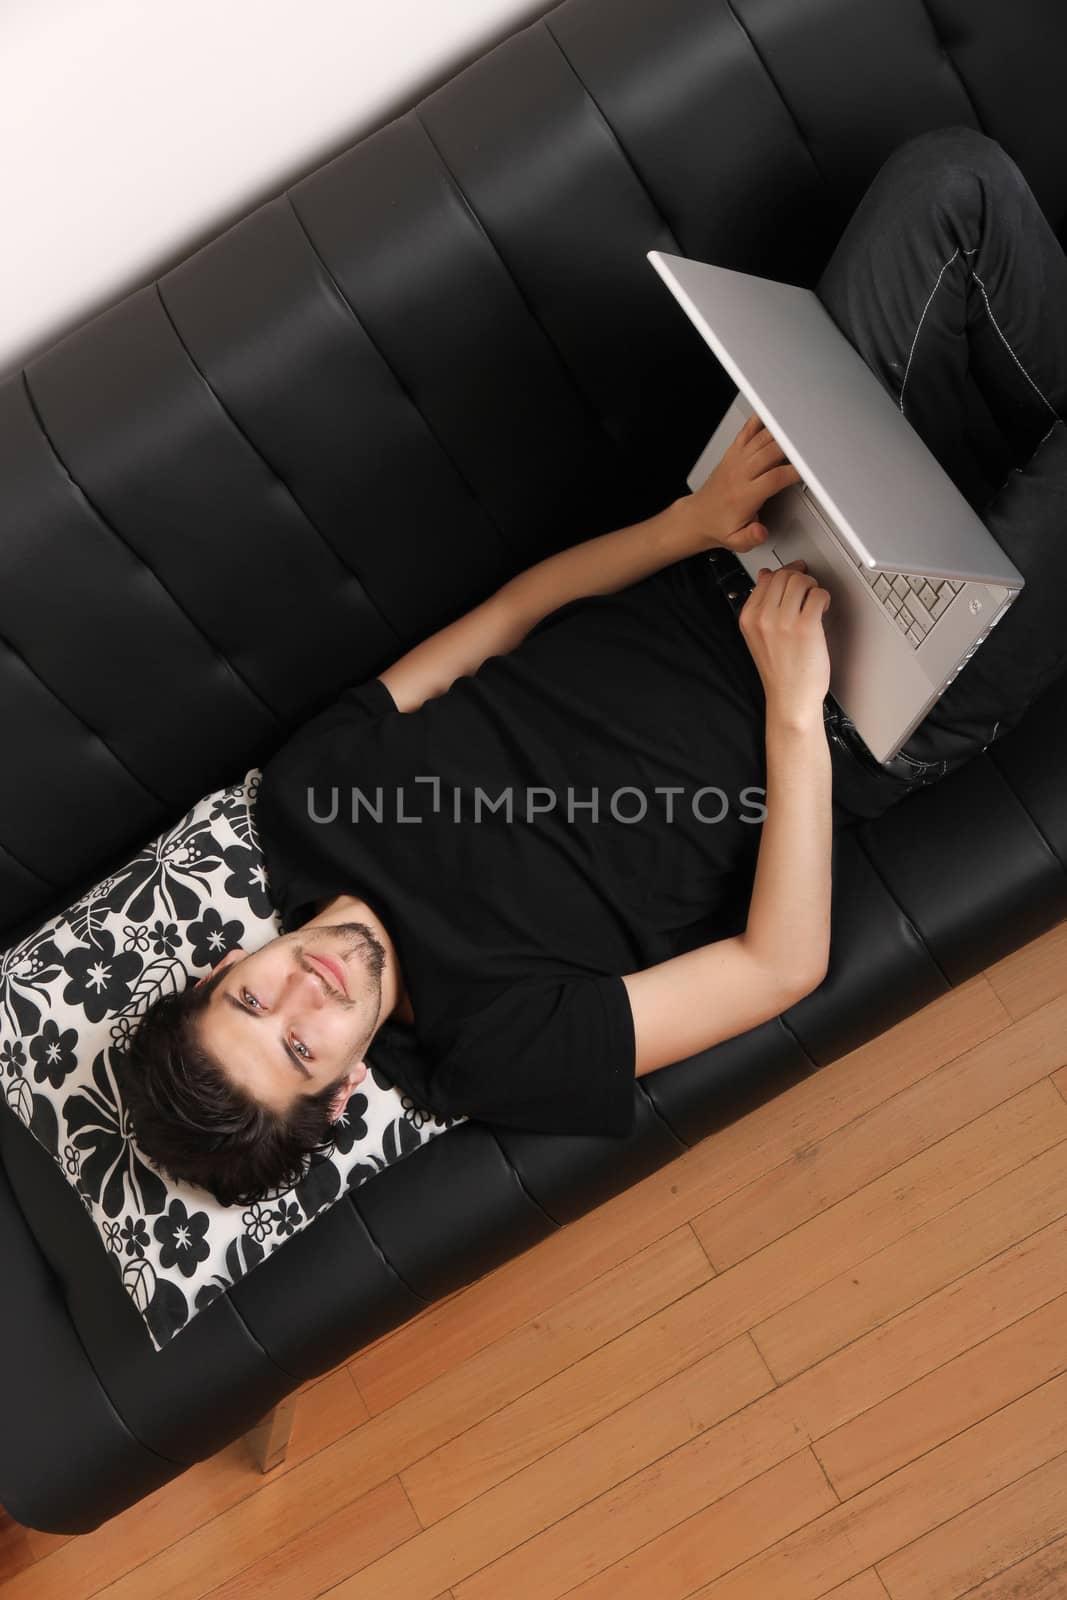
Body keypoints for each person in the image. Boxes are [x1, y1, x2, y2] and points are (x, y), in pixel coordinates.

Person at [118, 126, 1067, 1205]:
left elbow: (511, 612)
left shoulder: (301, 798)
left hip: (747, 542)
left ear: (217, 970)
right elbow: (776, 967)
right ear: (338, 1097)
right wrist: (794, 711)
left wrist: (691, 524)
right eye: (299, 1049)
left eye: (250, 1001)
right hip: (866, 704)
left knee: (954, 185)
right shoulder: (489, 1057)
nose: (306, 993)